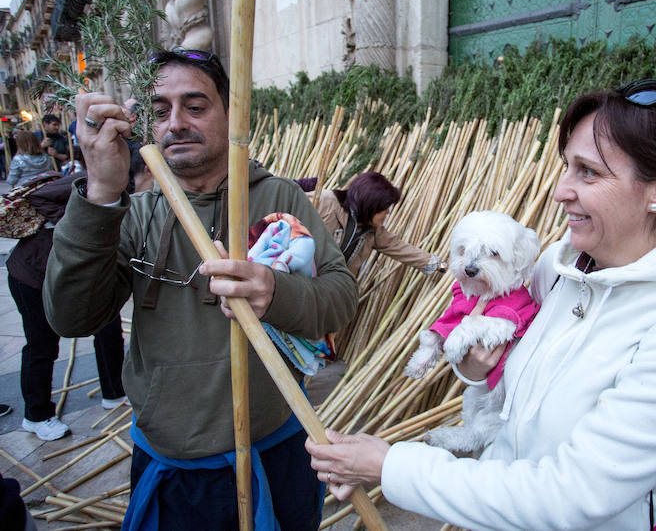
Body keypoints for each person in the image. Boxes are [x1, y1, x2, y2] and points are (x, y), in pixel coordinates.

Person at [306, 80, 656, 530]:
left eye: (589, 172)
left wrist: (391, 467)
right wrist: (473, 370)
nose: (561, 190)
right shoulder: (555, 274)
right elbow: (506, 372)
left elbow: (572, 496)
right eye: (567, 167)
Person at [43, 48, 358, 529]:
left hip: (271, 448)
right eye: (161, 110)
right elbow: (70, 317)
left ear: (230, 113)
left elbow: (340, 299)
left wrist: (276, 292)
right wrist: (101, 192)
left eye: (195, 106)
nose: (176, 123)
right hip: (172, 462)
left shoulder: (279, 198)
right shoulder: (136, 211)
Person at [7, 172, 129, 440]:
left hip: (85, 275)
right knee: (42, 345)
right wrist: (77, 222)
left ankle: (114, 392)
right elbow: (39, 196)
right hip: (32, 275)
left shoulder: (133, 196)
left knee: (108, 327)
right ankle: (36, 415)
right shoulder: (94, 179)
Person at [316, 171, 446, 277]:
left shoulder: (372, 232)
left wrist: (438, 265)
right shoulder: (326, 203)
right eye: (384, 209)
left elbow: (402, 249)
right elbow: (296, 201)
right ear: (370, 206)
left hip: (328, 288)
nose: (388, 213)